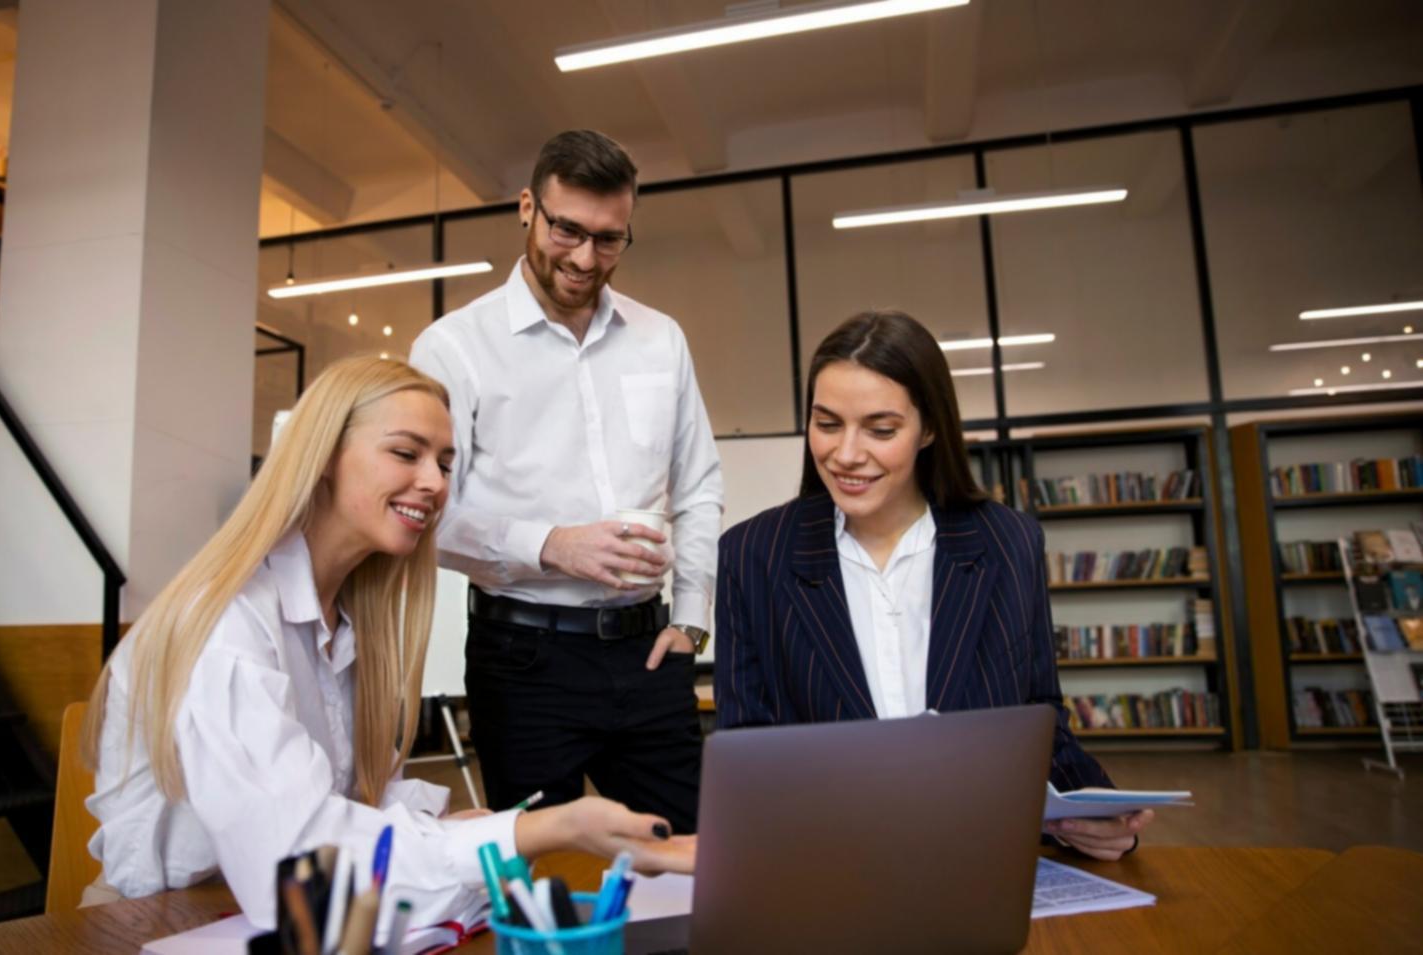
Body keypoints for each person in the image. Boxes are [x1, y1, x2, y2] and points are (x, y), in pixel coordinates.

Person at [82, 356, 693, 936]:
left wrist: (454, 827)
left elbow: (345, 801)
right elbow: (300, 871)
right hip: (160, 925)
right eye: (406, 453)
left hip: (264, 919)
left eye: (446, 464)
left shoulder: (349, 622)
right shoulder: (226, 626)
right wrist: (550, 826)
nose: (434, 484)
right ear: (322, 457)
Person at [713, 311, 1153, 861]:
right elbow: (746, 749)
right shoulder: (752, 555)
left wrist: (1093, 813)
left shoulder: (1006, 542)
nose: (846, 454)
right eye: (827, 424)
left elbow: (1038, 716)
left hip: (978, 855)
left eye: (880, 429)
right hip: (827, 863)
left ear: (930, 428)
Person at [409, 129, 723, 834]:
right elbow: (425, 511)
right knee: (539, 884)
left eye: (609, 239)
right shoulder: (453, 347)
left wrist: (692, 617)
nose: (585, 258)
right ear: (528, 207)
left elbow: (699, 482)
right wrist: (552, 545)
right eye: (567, 230)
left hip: (649, 652)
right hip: (524, 659)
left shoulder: (659, 337)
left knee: (687, 862)